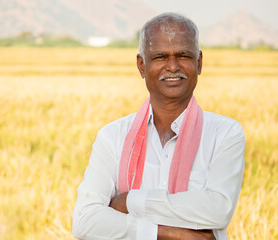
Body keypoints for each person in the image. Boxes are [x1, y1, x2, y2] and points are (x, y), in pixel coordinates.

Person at [72, 12, 245, 240]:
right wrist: (169, 234)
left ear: (199, 62)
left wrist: (129, 201)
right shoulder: (112, 136)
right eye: (160, 57)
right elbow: (85, 222)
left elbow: (218, 210)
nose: (172, 66)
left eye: (183, 55)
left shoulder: (225, 134)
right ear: (141, 66)